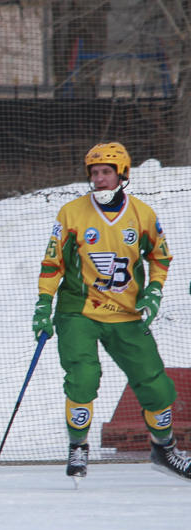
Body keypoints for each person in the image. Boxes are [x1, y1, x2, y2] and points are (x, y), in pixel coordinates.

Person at [35, 142, 190, 483]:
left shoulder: (142, 214)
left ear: (122, 174)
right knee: (83, 378)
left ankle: (164, 451)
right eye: (94, 172)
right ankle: (78, 446)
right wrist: (44, 304)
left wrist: (153, 291)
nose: (100, 178)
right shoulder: (72, 213)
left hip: (127, 313)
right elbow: (52, 263)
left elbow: (160, 257)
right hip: (79, 310)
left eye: (107, 172)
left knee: (157, 387)